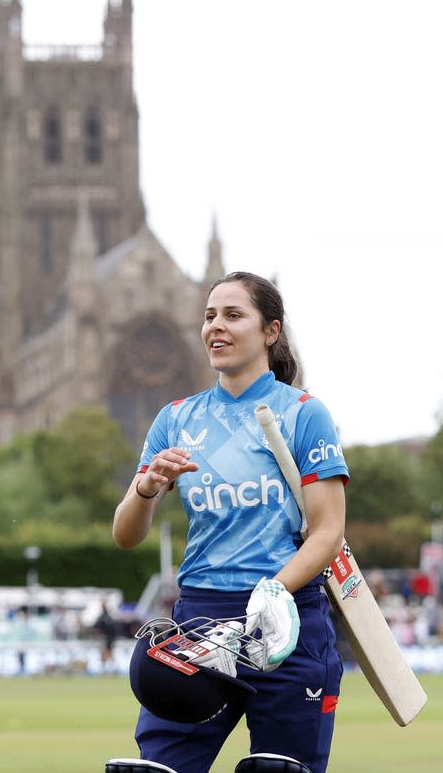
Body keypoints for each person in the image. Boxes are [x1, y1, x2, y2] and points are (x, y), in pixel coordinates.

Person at [113, 271, 349, 773]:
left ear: (271, 332)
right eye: (209, 316)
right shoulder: (177, 418)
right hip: (200, 620)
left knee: (278, 769)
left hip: (287, 622)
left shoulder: (303, 414)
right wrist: (147, 487)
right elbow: (126, 535)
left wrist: (275, 592)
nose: (216, 326)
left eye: (233, 315)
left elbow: (328, 531)